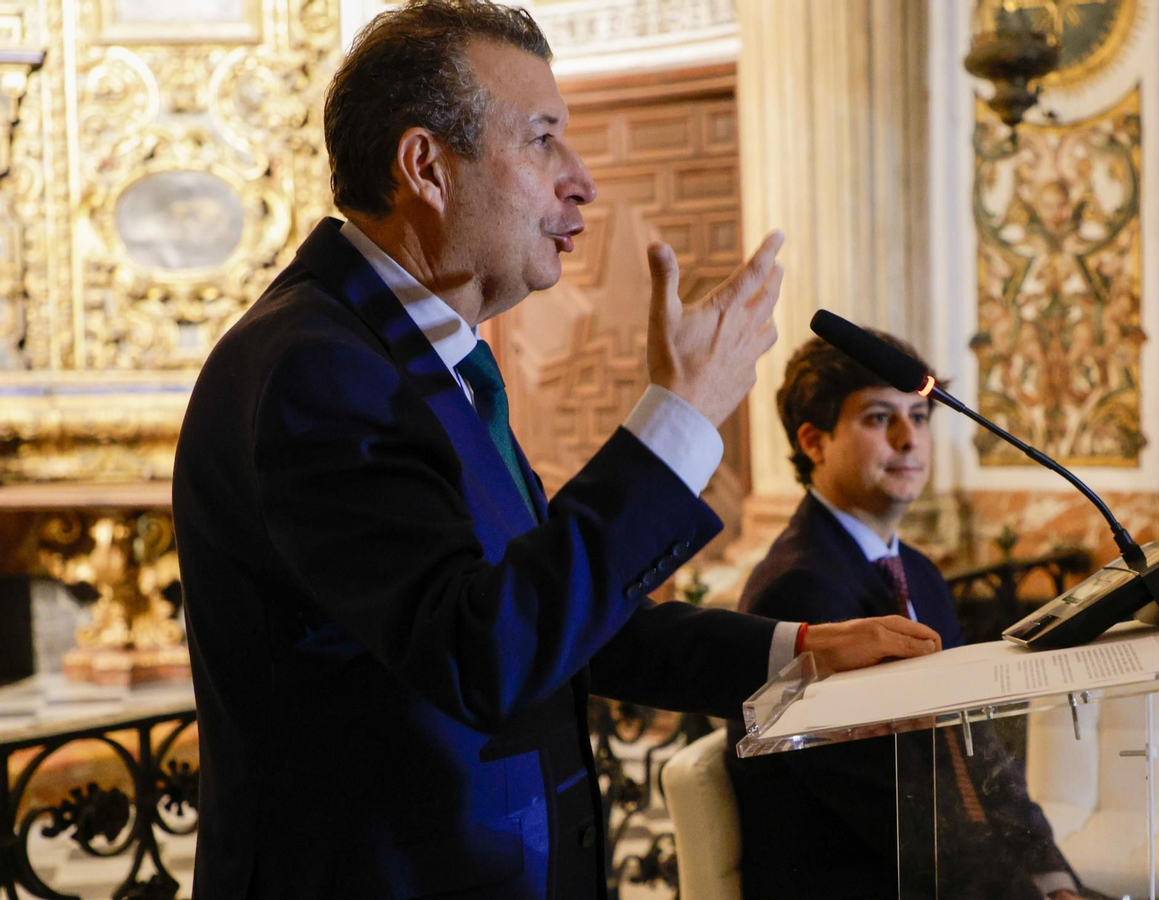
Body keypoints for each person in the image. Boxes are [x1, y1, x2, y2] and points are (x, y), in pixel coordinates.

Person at [171, 3, 940, 898]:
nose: (582, 182)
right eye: (543, 141)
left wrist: (796, 651)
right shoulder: (315, 369)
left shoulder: (421, 357)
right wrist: (679, 422)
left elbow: (555, 619)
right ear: (427, 166)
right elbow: (481, 650)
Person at [723, 333, 1087, 900]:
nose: (908, 438)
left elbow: (980, 750)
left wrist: (1053, 878)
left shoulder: (919, 574)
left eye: (919, 415)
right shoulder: (800, 589)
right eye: (878, 418)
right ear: (813, 442)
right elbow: (893, 806)